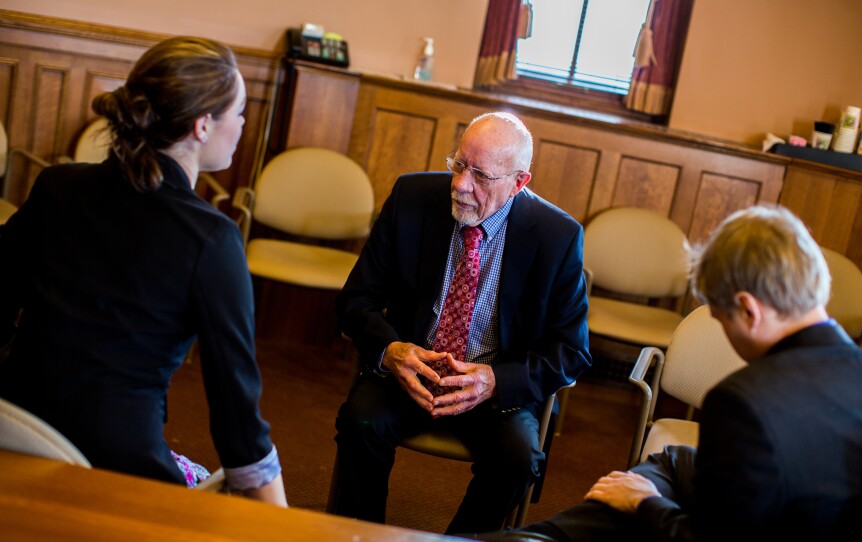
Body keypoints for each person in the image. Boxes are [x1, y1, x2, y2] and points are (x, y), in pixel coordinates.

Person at [474, 205, 862, 541]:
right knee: (669, 463)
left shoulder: (744, 400)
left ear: (749, 311)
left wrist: (645, 504)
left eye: (722, 321)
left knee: (627, 501)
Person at [0, 36, 287, 506]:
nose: (241, 125)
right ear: (201, 126)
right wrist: (283, 527)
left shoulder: (57, 186)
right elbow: (237, 419)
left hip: (16, 429)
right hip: (116, 468)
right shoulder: (212, 239)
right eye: (238, 113)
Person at [332, 111, 591, 534]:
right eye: (458, 164)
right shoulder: (412, 197)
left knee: (520, 457)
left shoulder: (556, 236)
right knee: (360, 422)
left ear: (519, 182)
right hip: (409, 372)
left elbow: (571, 351)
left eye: (480, 175)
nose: (460, 184)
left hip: (495, 387)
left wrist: (494, 381)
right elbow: (355, 300)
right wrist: (391, 351)